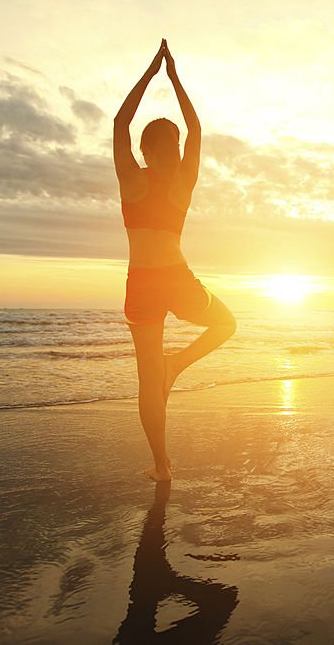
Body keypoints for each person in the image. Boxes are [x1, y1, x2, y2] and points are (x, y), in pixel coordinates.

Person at [114, 39, 236, 482]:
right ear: (176, 147)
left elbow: (119, 122)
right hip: (176, 276)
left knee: (149, 381)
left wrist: (150, 74)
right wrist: (174, 77)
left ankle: (162, 467)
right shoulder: (184, 180)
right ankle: (178, 364)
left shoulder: (131, 178)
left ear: (145, 149)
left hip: (141, 281)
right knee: (226, 324)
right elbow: (197, 130)